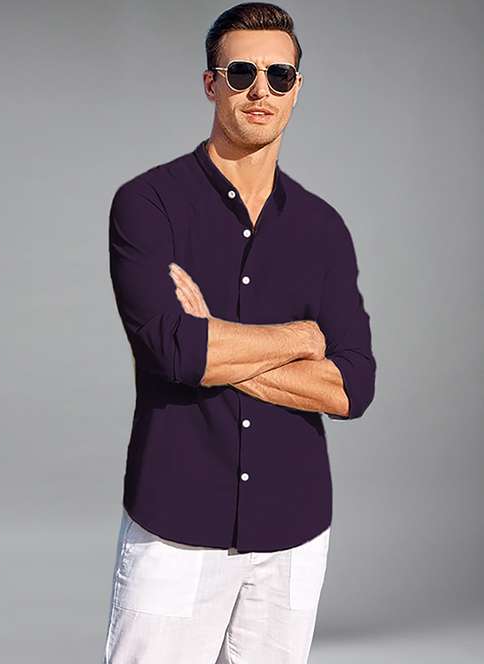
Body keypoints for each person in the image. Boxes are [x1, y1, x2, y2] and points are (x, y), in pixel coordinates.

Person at [102, 3, 376, 662]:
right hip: (175, 526)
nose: (261, 90)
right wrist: (302, 338)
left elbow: (352, 388)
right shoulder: (148, 204)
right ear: (211, 83)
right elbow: (172, 349)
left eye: (278, 75)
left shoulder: (323, 229)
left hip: (294, 532)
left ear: (296, 90)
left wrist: (216, 343)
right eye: (242, 72)